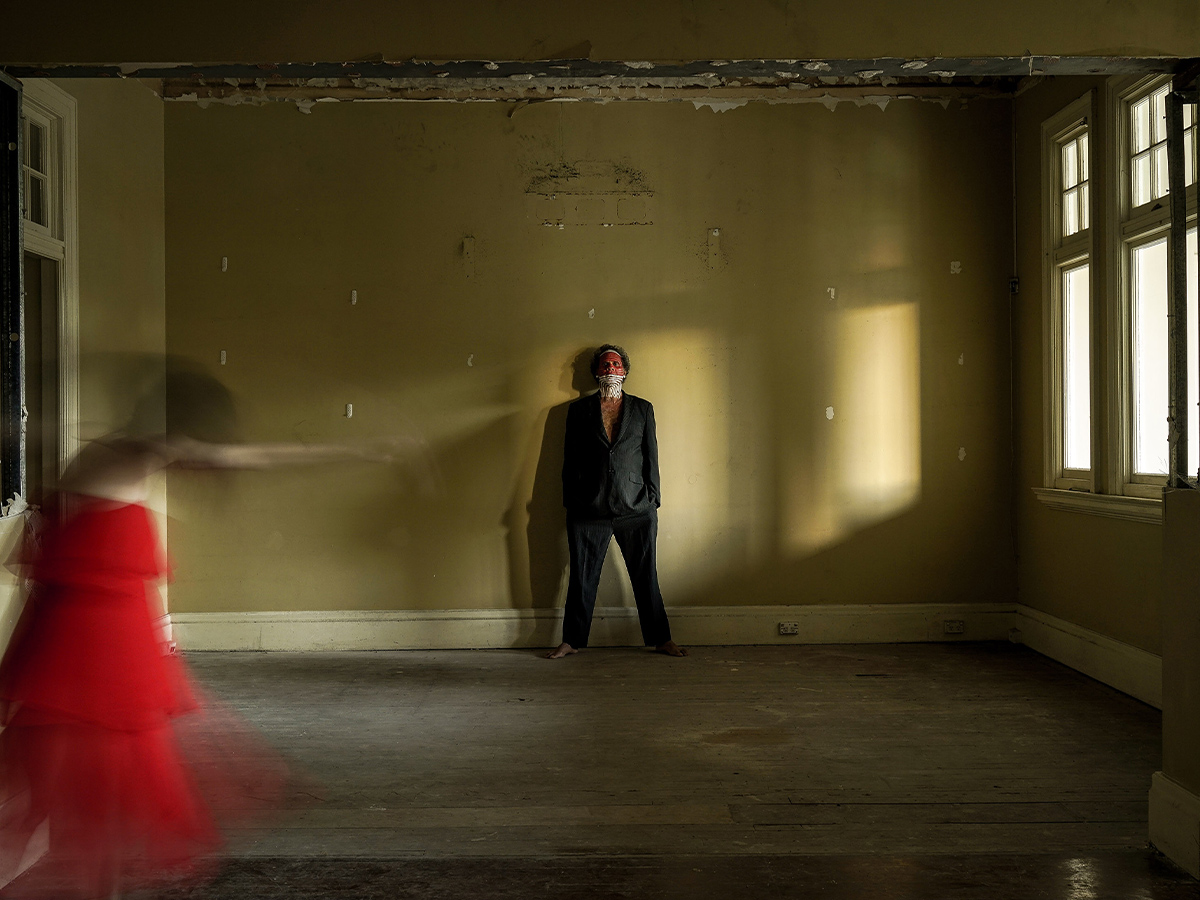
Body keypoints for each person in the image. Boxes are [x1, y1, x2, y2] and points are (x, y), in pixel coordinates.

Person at [0, 361, 420, 899]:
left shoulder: (106, 452)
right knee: (96, 787)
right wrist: (364, 450)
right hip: (97, 653)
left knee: (82, 793)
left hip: (83, 644)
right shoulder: (140, 452)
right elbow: (250, 459)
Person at [547, 345, 686, 659]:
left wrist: (653, 499)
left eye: (616, 364)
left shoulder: (643, 409)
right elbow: (569, 460)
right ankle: (571, 640)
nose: (610, 368)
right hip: (587, 509)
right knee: (582, 577)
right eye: (605, 364)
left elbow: (652, 456)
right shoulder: (578, 411)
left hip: (636, 507)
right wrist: (572, 500)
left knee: (645, 574)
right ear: (597, 372)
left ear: (624, 371)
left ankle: (661, 638)